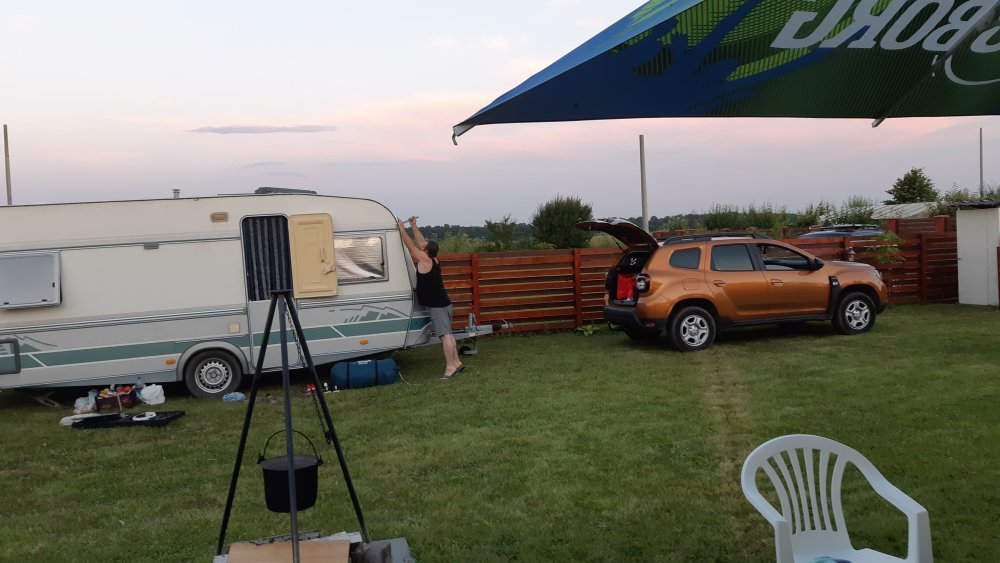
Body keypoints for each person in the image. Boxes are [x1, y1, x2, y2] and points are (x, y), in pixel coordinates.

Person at [397, 215, 464, 379]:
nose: (422, 246)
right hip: (444, 303)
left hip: (438, 306)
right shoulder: (434, 258)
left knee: (445, 336)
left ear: (426, 251)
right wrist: (414, 225)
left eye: (424, 247)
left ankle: (450, 367)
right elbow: (420, 242)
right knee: (449, 334)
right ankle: (456, 362)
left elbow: (410, 245)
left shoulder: (425, 259)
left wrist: (401, 228)